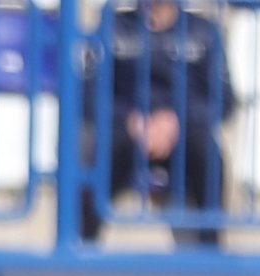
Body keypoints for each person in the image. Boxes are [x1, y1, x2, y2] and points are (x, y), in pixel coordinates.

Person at [80, 0, 237, 248]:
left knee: (207, 154)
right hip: (127, 130)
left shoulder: (204, 31)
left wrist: (175, 121)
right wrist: (132, 120)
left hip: (184, 132)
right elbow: (88, 95)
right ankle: (81, 252)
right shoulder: (111, 26)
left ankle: (211, 253)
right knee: (93, 156)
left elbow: (224, 100)